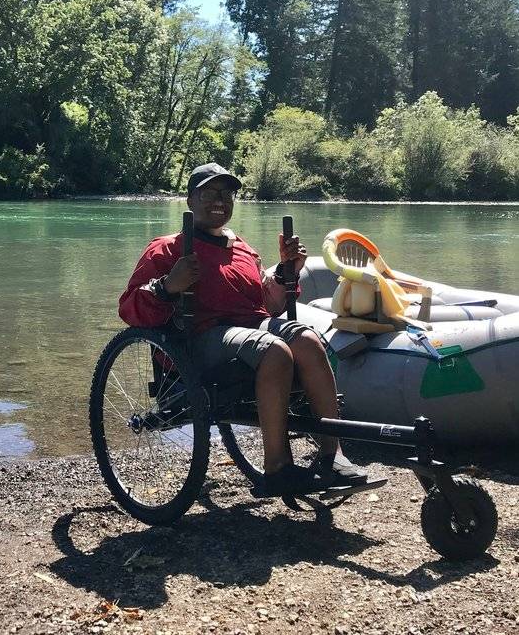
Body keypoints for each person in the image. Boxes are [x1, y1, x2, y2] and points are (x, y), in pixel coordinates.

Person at [118, 162, 368, 496]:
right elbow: (129, 307)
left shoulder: (243, 248)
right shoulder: (167, 248)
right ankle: (277, 468)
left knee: (308, 339)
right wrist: (167, 286)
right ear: (190, 199)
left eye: (226, 193)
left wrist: (284, 273)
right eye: (208, 192)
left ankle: (331, 454)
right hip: (203, 337)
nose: (218, 200)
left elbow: (269, 305)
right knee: (274, 350)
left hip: (251, 327)